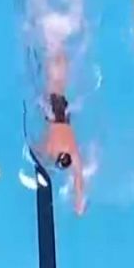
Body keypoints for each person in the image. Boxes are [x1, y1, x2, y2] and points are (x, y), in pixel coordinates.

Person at [34, 47, 86, 215]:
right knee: (52, 85)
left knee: (57, 85)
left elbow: (79, 177)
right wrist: (78, 203)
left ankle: (58, 53)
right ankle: (53, 52)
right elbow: (78, 177)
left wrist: (79, 200)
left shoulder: (71, 149)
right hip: (54, 116)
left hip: (62, 114)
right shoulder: (54, 147)